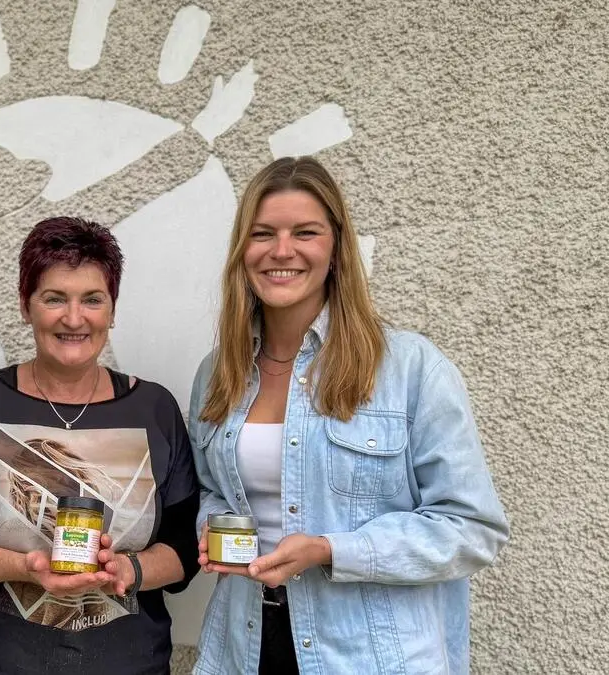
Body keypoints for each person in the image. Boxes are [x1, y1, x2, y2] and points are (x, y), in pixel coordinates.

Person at [189, 156, 509, 674]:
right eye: (262, 233)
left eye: (306, 233)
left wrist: (331, 550)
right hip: (243, 647)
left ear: (336, 249)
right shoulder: (219, 372)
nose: (281, 250)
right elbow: (213, 490)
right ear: (242, 251)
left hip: (368, 656)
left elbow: (471, 528)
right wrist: (212, 527)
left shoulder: (410, 368)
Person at [0, 217, 200, 675]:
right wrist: (26, 566)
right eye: (55, 298)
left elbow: (185, 548)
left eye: (92, 299)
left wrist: (130, 569)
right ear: (25, 305)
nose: (74, 318)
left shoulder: (155, 409)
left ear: (112, 309)